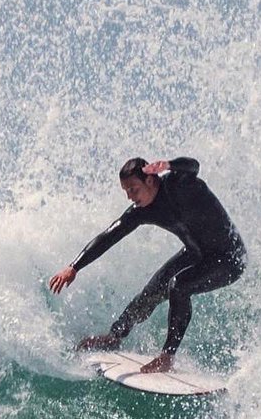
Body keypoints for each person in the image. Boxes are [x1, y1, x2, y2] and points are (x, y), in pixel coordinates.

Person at [49, 157, 246, 374]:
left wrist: (169, 165)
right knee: (154, 289)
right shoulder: (142, 210)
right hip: (196, 253)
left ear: (151, 181)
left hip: (229, 258)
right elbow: (109, 236)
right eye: (126, 191)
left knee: (179, 286)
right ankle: (115, 337)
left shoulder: (179, 184)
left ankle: (167, 357)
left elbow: (194, 166)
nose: (130, 196)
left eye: (133, 189)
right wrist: (74, 267)